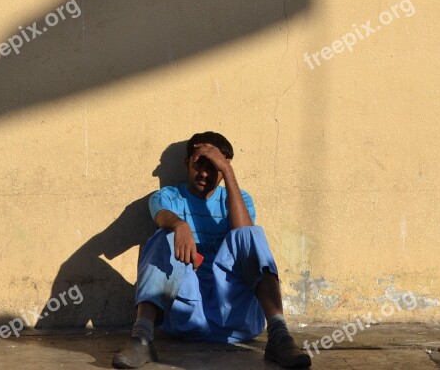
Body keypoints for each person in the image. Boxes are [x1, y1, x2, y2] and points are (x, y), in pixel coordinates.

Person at [112, 131, 311, 368]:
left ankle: (279, 337)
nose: (204, 173)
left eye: (213, 166)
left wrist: (227, 172)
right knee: (163, 238)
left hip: (235, 316)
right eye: (199, 164)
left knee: (250, 234)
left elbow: (245, 236)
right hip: (186, 315)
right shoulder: (169, 196)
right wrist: (178, 225)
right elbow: (160, 215)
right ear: (187, 163)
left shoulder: (239, 198)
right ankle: (141, 338)